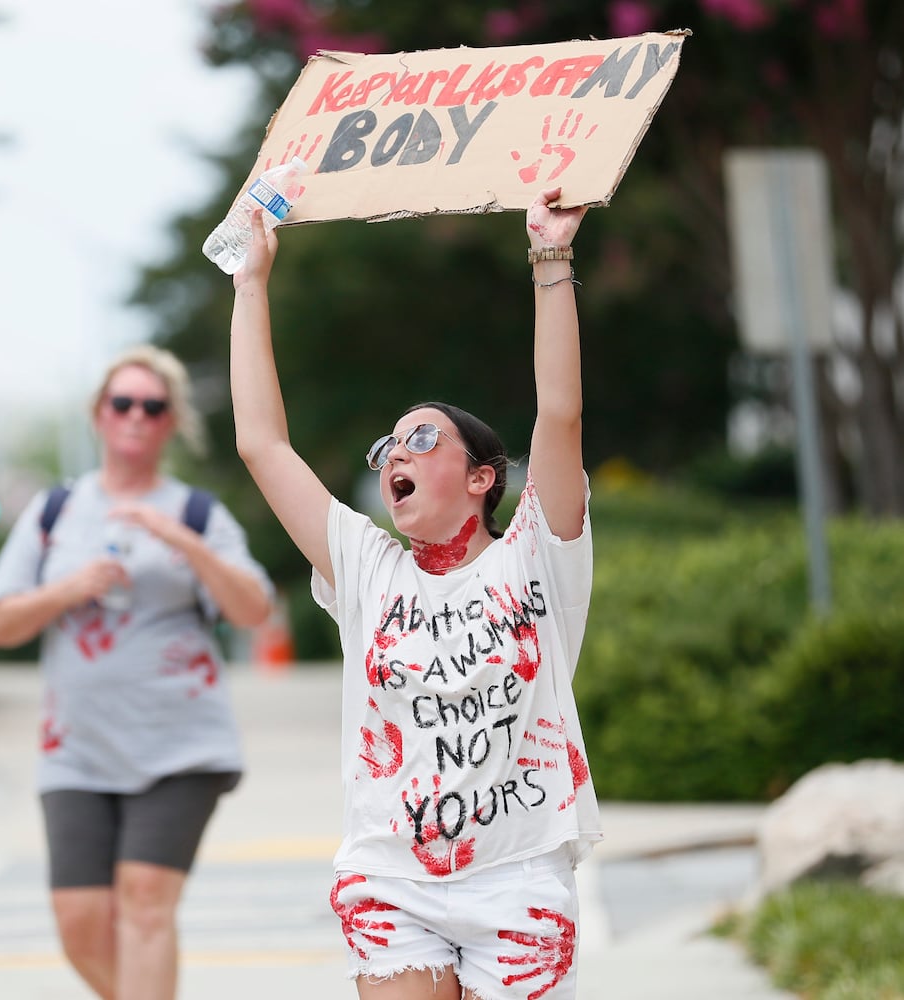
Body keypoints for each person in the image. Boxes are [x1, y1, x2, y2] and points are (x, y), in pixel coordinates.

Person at [227, 186, 599, 1000]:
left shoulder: (538, 554)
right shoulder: (367, 567)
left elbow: (561, 416)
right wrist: (251, 283)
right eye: (389, 444)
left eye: (422, 437)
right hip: (392, 872)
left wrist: (550, 258)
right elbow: (261, 444)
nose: (398, 450)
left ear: (479, 478)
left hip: (519, 876)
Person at [0, 344, 275, 1000]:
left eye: (153, 406)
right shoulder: (55, 509)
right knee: (80, 923)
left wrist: (182, 542)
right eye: (123, 403)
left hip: (179, 745)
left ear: (169, 422)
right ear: (99, 415)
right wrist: (68, 589)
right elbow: (0, 624)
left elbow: (252, 608)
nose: (137, 415)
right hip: (76, 750)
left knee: (143, 904)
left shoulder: (196, 512)